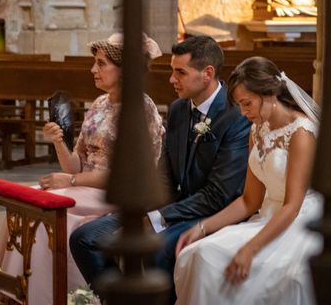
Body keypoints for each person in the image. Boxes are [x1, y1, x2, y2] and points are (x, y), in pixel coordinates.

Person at [174, 57, 331, 304]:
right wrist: (202, 227)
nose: (243, 112)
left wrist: (251, 248)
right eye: (240, 105)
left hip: (303, 223)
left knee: (282, 276)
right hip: (267, 218)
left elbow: (292, 206)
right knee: (200, 253)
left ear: (270, 94)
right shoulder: (257, 130)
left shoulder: (301, 133)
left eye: (247, 103)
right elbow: (249, 201)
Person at [69, 35, 251, 294]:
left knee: (160, 247)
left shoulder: (235, 116)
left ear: (207, 73)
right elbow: (164, 177)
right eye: (171, 71)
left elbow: (219, 194)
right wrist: (139, 213)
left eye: (180, 72)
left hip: (210, 212)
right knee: (85, 238)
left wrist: (158, 219)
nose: (171, 79)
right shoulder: (178, 109)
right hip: (171, 205)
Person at [0, 32, 165, 304]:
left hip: (117, 193)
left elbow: (131, 176)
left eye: (101, 63)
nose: (93, 70)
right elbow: (75, 162)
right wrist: (58, 142)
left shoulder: (142, 110)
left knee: (48, 215)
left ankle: (53, 297)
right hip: (85, 185)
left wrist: (71, 181)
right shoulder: (98, 104)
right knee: (23, 201)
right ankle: (16, 292)